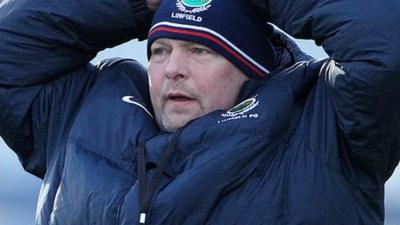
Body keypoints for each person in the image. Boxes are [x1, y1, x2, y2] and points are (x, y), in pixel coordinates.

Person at [0, 0, 399, 225]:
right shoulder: (83, 110)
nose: (173, 68)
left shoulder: (324, 126)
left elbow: (387, 47)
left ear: (252, 69)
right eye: (160, 50)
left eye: (199, 50)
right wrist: (136, 3)